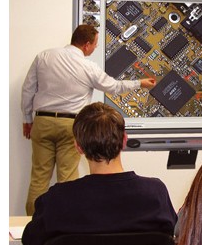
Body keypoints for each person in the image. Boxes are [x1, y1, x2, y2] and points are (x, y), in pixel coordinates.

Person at [22, 102, 177, 245]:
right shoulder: (155, 194)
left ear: (78, 147)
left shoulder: (58, 198)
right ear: (124, 140)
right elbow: (170, 240)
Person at [21, 24, 157, 215]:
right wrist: (139, 83)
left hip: (42, 121)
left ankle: (31, 223)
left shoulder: (44, 56)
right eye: (94, 44)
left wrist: (27, 119)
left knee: (39, 177)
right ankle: (65, 222)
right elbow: (114, 87)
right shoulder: (88, 67)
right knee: (67, 178)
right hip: (70, 126)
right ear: (86, 45)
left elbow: (28, 90)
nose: (94, 48)